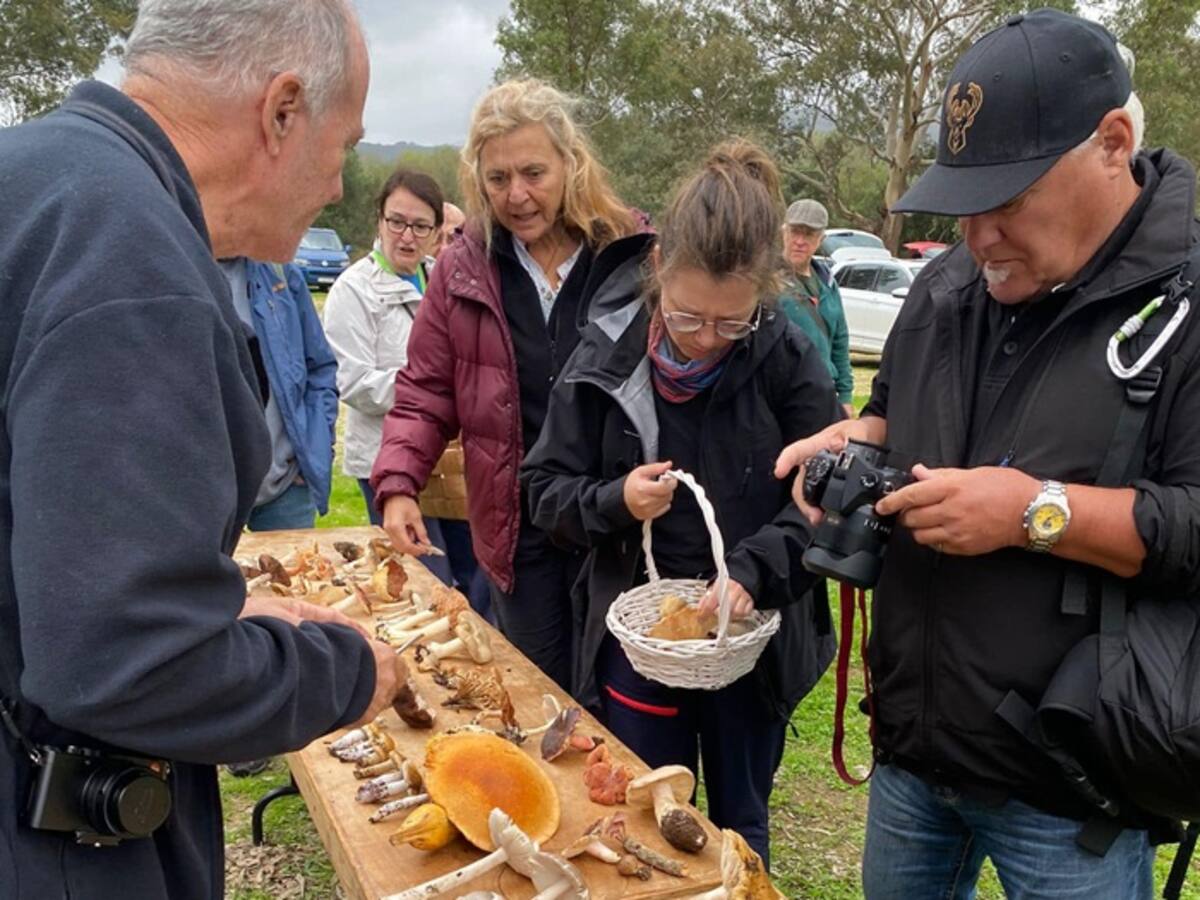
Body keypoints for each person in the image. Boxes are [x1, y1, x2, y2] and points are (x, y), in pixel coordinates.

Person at [775, 10, 1200, 899]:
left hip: (1073, 783)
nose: (977, 238)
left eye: (1007, 201)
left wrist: (1034, 513)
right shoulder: (947, 283)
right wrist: (845, 442)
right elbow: (890, 413)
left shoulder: (1186, 307)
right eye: (965, 204)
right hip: (914, 750)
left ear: (1113, 142)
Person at [0, 2, 400, 898]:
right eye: (344, 145)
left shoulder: (34, 178)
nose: (338, 186)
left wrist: (215, 599)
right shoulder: (132, 261)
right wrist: (347, 670)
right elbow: (129, 665)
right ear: (283, 110)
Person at [522, 140, 840, 864]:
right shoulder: (605, 351)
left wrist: (754, 575)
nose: (705, 341)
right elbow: (544, 490)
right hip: (639, 639)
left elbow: (825, 499)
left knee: (738, 827)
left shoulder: (788, 358)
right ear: (659, 267)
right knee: (640, 806)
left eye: (732, 324)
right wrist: (615, 501)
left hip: (751, 642)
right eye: (690, 316)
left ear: (763, 292)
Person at [372, 79, 649, 691]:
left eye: (533, 172)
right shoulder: (463, 267)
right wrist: (397, 484)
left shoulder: (632, 257)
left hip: (617, 525)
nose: (517, 195)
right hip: (516, 529)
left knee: (618, 698)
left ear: (571, 165)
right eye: (498, 179)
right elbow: (424, 389)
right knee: (536, 692)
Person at [323, 168, 443, 529]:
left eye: (420, 226)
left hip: (447, 463)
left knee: (470, 578)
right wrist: (432, 390)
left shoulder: (443, 279)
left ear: (436, 232)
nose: (407, 236)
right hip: (384, 458)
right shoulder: (353, 289)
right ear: (379, 221)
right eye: (396, 222)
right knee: (418, 574)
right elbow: (355, 383)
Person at [223, 258, 338, 532]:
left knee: (299, 574)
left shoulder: (280, 272)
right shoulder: (181, 264)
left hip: (285, 488)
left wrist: (315, 446)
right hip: (210, 496)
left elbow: (320, 367)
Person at [777, 198, 854, 416]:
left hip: (825, 393)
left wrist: (846, 396)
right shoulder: (768, 282)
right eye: (795, 232)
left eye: (809, 234)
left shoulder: (828, 283)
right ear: (784, 232)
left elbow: (840, 340)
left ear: (821, 239)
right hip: (785, 393)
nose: (800, 241)